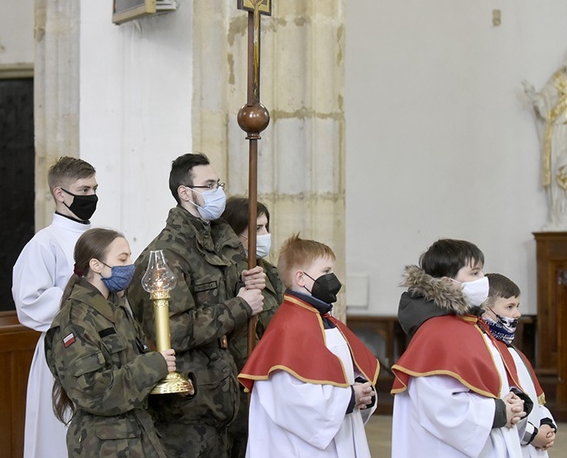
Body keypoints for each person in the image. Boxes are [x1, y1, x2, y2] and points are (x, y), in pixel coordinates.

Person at [127, 152, 266, 457]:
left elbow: (227, 301)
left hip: (226, 396)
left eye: (219, 183)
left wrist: (246, 283)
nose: (219, 191)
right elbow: (172, 329)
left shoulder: (217, 241)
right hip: (190, 408)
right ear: (185, 193)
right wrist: (240, 305)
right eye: (210, 185)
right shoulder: (167, 254)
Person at [238, 234, 379, 457]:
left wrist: (362, 388)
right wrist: (350, 398)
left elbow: (348, 370)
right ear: (301, 278)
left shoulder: (326, 322)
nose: (332, 278)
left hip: (337, 434)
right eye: (325, 271)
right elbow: (291, 400)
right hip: (299, 448)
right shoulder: (288, 330)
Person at [391, 239, 529, 457]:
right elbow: (441, 407)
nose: (483, 280)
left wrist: (511, 399)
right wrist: (500, 411)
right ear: (448, 282)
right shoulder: (437, 332)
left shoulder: (468, 323)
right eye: (474, 273)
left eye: (482, 272)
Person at [44, 228, 175, 456]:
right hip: (105, 446)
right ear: (96, 265)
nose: (130, 265)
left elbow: (131, 367)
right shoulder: (75, 319)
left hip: (137, 436)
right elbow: (92, 392)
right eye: (122, 259)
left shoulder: (116, 309)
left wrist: (171, 383)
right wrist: (155, 365)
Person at [11, 156, 98, 458]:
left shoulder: (96, 239)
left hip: (99, 349)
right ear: (60, 193)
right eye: (84, 190)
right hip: (62, 348)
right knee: (58, 438)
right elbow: (29, 304)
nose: (92, 197)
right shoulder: (43, 243)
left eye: (94, 189)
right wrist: (81, 294)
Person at [220, 196, 285, 457]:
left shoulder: (270, 272)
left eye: (266, 227)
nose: (265, 235)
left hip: (274, 376)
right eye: (257, 229)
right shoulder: (226, 273)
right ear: (235, 233)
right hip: (244, 382)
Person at [483, 273, 558, 456]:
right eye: (509, 307)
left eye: (517, 306)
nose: (517, 314)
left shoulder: (513, 352)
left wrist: (547, 424)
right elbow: (506, 406)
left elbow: (534, 399)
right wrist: (533, 436)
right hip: (514, 444)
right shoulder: (486, 351)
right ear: (485, 310)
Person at [523, 66, 567, 230]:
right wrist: (535, 97)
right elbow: (545, 100)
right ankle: (559, 216)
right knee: (559, 172)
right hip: (560, 131)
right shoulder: (558, 79)